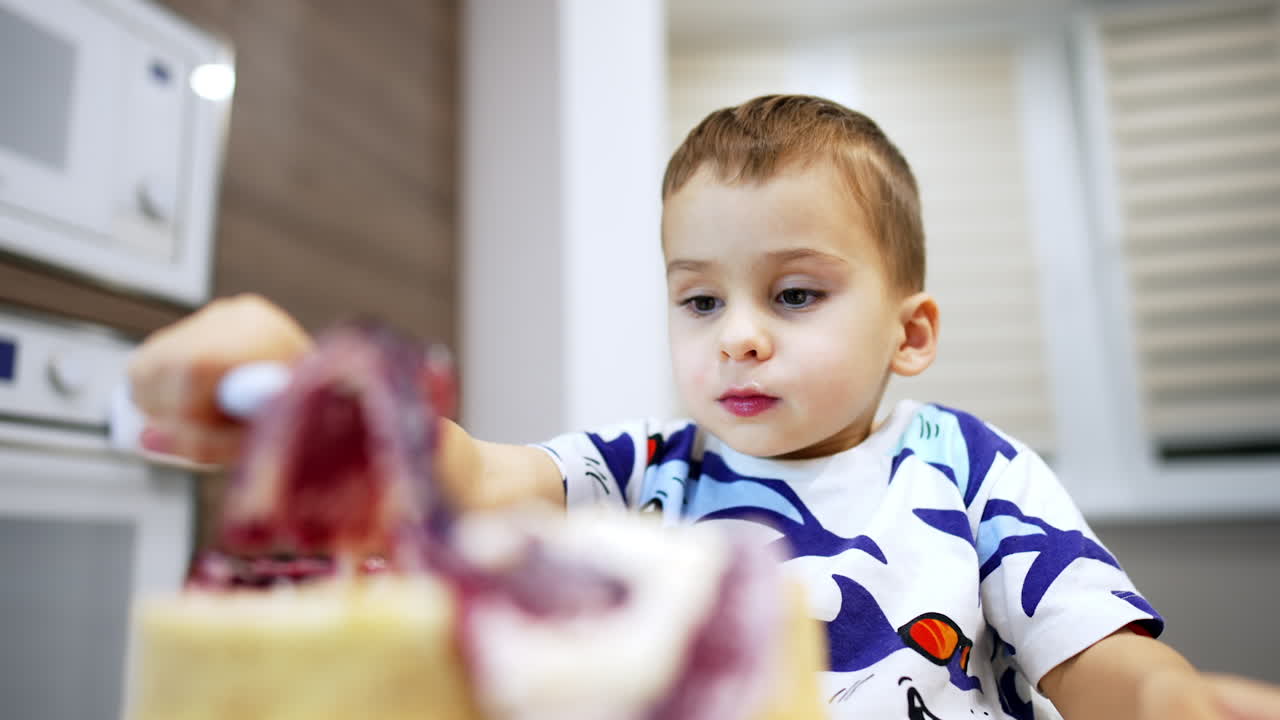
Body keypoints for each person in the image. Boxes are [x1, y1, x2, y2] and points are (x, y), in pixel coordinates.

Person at [128, 95, 1279, 719]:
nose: (736, 331)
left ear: (908, 332)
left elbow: (1095, 660)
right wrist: (309, 387)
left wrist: (1171, 705)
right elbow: (467, 474)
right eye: (698, 299)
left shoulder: (975, 471)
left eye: (791, 293)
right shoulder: (647, 465)